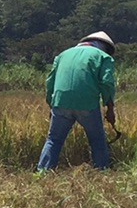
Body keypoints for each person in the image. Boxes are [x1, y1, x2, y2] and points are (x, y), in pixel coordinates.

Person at [37, 31, 118, 171]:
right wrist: (109, 108)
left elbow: (50, 82)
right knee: (97, 140)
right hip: (87, 104)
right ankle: (101, 172)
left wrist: (52, 105)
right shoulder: (103, 57)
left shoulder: (62, 55)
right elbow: (106, 83)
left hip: (60, 102)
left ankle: (42, 172)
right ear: (104, 47)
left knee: (53, 140)